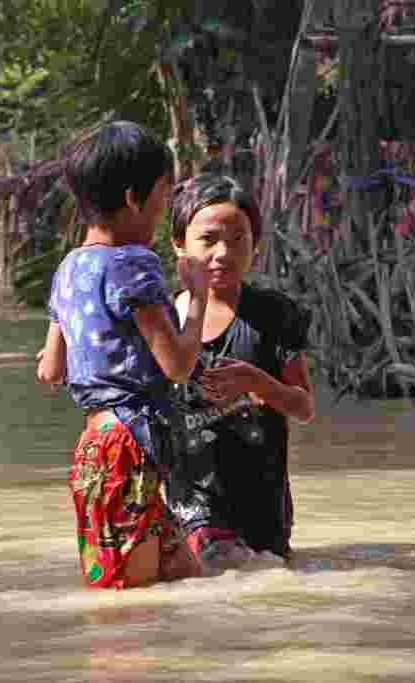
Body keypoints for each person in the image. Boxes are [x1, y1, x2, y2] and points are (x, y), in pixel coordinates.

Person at [36, 121, 211, 589]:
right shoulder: (134, 264)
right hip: (130, 450)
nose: (163, 212)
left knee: (183, 582)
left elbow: (51, 370)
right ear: (134, 198)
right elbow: (178, 365)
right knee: (124, 607)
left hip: (98, 447)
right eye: (162, 198)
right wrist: (198, 297)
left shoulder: (68, 269)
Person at [164, 174, 315, 574]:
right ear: (179, 244)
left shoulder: (274, 314)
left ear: (255, 244)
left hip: (263, 505)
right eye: (208, 240)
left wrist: (257, 382)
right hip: (189, 505)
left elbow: (303, 407)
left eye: (237, 240)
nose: (223, 253)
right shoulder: (162, 318)